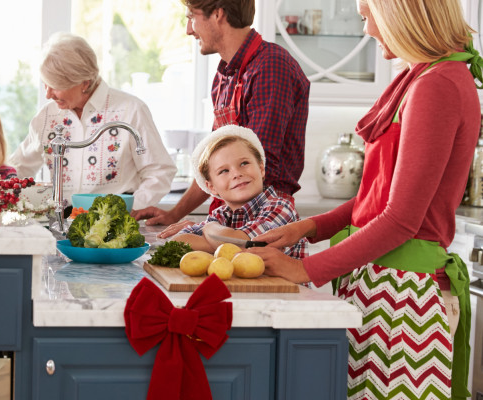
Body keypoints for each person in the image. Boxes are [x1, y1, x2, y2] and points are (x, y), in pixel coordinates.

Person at [247, 1, 481, 398]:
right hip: (382, 286)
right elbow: (376, 199)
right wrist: (305, 229)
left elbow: (401, 219)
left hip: (404, 301)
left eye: (369, 16)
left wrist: (304, 270)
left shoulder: (436, 85)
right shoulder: (420, 77)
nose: (368, 30)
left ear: (401, 15)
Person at [132, 0, 309, 237]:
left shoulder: (271, 66)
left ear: (217, 14)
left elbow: (254, 167)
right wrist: (174, 214)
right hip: (230, 217)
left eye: (191, 17)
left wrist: (208, 230)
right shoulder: (225, 74)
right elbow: (215, 160)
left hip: (264, 220)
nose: (189, 30)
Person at [8, 32, 176, 210]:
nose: (48, 94)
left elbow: (160, 172)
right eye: (45, 84)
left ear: (85, 83)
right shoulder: (46, 116)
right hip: (61, 218)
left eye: (56, 86)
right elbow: (19, 168)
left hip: (115, 221)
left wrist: (132, 208)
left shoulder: (131, 110)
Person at [171, 125, 306, 258]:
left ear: (261, 169)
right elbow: (177, 241)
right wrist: (222, 240)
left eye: (244, 163)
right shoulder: (221, 214)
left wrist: (210, 227)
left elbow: (242, 244)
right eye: (224, 171)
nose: (236, 174)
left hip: (280, 281)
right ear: (212, 187)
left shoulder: (281, 208)